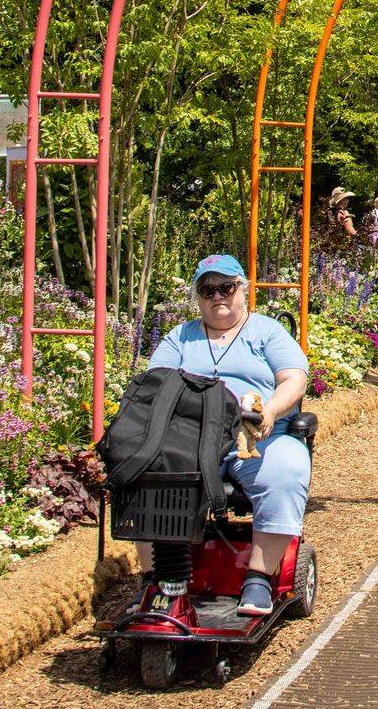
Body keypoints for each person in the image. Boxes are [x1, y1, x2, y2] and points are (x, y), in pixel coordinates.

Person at [145, 255, 311, 617]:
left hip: (257, 436)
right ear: (198, 296)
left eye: (226, 287)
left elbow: (294, 378)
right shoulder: (181, 337)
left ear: (243, 290)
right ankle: (155, 577)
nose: (217, 296)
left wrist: (270, 410)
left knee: (286, 468)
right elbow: (154, 383)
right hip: (192, 437)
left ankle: (258, 575)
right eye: (208, 289)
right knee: (145, 472)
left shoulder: (267, 332)